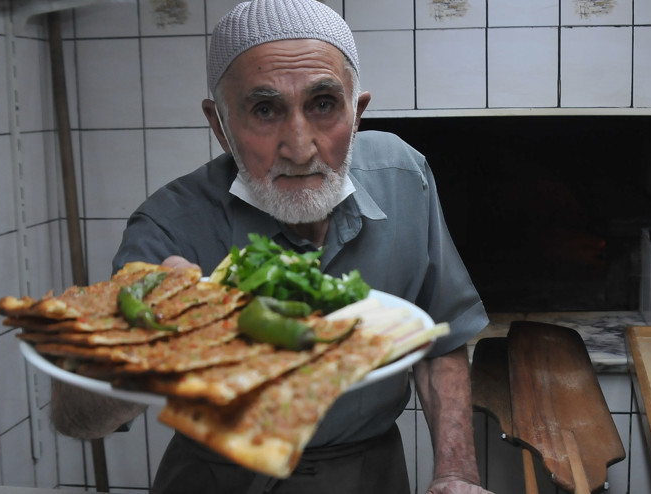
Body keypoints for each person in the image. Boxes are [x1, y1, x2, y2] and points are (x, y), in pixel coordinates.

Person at [51, 1, 492, 493]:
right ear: (219, 125)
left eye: (323, 104)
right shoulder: (171, 224)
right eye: (265, 110)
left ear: (357, 110)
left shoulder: (404, 177)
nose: (300, 148)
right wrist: (146, 350)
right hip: (218, 479)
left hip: (367, 473)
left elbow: (441, 340)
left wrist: (456, 473)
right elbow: (78, 419)